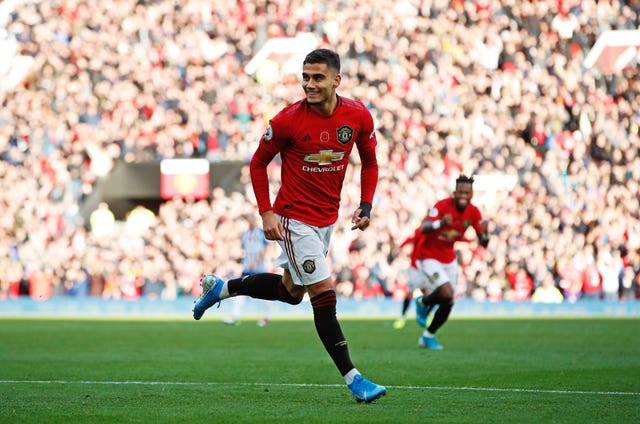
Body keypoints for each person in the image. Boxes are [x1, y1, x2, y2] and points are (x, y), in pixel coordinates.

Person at [192, 48, 386, 403]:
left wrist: (366, 203)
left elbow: (370, 162)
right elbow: (257, 164)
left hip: (325, 219)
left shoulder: (357, 116)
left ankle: (221, 289)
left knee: (290, 293)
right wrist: (266, 212)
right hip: (294, 218)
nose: (309, 85)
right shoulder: (286, 120)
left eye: (318, 78)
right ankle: (354, 379)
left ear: (336, 81)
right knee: (324, 296)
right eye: (306, 77)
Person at [413, 175, 490, 350]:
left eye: (467, 192)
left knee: (448, 301)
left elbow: (483, 243)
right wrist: (440, 223)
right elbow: (425, 228)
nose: (463, 195)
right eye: (460, 192)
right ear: (454, 193)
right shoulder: (442, 206)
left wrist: (485, 233)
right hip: (429, 256)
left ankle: (427, 336)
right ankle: (423, 303)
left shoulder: (474, 212)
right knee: (446, 293)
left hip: (449, 259)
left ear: (471, 194)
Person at [223, 214, 272, 326]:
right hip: (247, 267)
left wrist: (255, 261)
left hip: (259, 267)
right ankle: (235, 316)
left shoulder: (261, 233)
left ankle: (267, 316)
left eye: (250, 220)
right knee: (240, 291)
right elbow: (243, 249)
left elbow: (265, 249)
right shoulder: (245, 234)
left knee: (265, 291)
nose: (249, 223)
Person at [392, 227, 429, 329]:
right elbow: (409, 239)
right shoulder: (420, 231)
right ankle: (402, 317)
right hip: (415, 268)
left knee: (428, 293)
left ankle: (426, 316)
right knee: (409, 293)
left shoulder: (436, 232)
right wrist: (400, 248)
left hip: (428, 267)